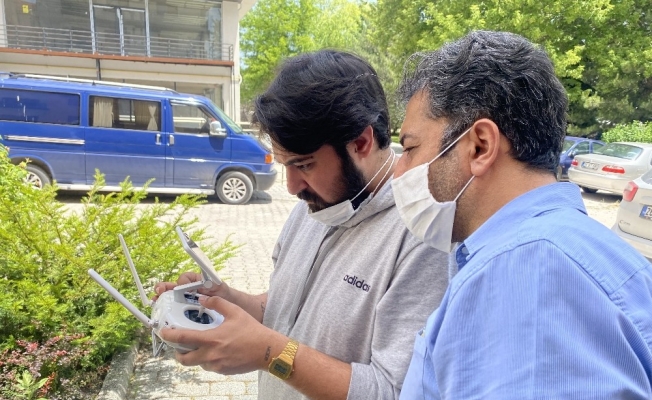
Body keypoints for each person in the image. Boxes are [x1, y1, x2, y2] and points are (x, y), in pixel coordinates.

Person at [155, 50, 450, 400]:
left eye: (304, 165)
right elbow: (286, 311)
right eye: (285, 166)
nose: (292, 187)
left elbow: (391, 391)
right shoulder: (317, 205)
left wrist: (268, 353)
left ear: (361, 142)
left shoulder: (423, 236)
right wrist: (228, 301)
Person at [392, 30, 652, 399]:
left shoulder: (525, 272)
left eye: (410, 148)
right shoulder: (581, 250)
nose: (399, 172)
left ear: (480, 146)